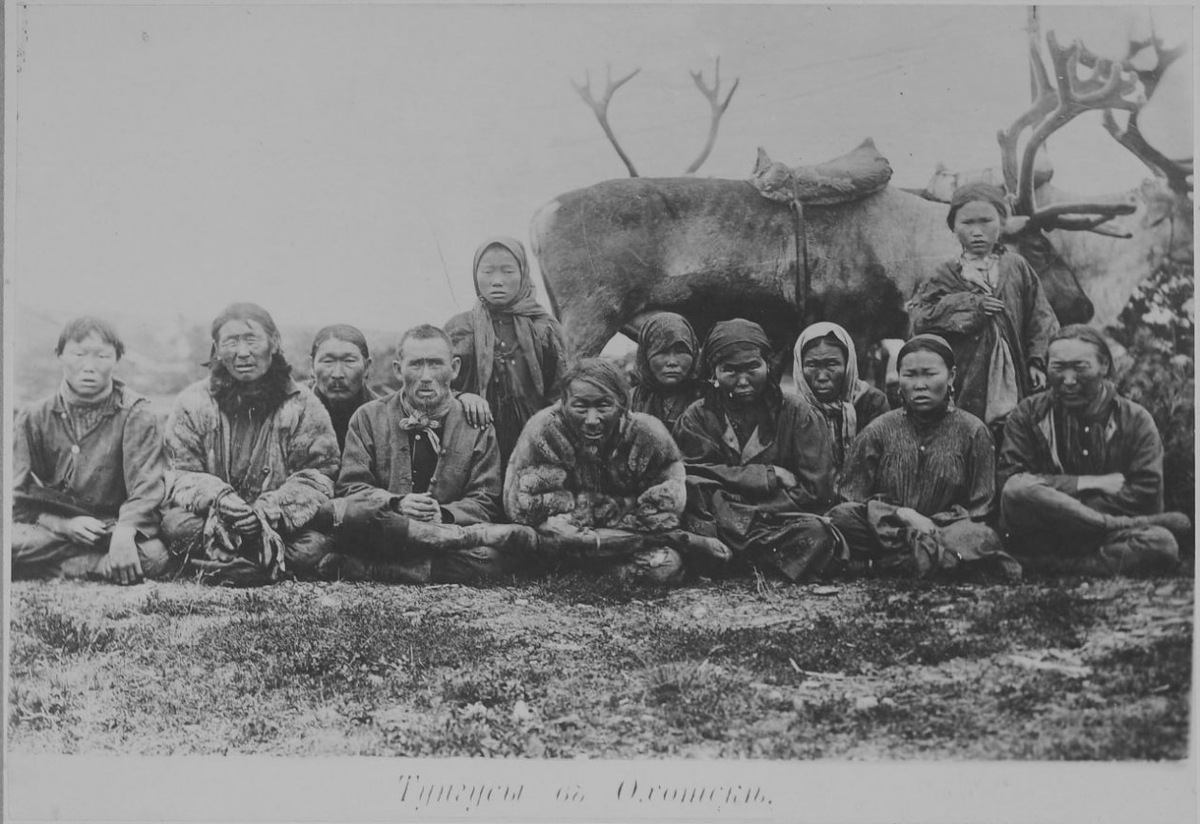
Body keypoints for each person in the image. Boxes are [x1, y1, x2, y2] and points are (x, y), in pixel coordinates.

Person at [316, 325, 538, 583]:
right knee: (343, 518)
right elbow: (351, 487)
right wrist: (397, 503)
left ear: (454, 368)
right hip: (388, 529)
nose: (425, 376)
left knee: (492, 558)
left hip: (445, 532)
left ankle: (380, 569)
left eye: (435, 364)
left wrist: (442, 514)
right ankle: (426, 561)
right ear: (398, 369)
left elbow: (485, 498)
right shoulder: (368, 417)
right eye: (415, 365)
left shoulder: (475, 424)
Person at [505, 358, 730, 585]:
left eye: (604, 405)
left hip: (627, 543)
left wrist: (594, 523)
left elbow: (663, 510)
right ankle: (579, 571)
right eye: (580, 406)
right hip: (562, 543)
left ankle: (579, 574)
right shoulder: (544, 431)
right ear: (564, 403)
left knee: (663, 566)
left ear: (622, 403)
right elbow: (526, 507)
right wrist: (619, 509)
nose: (592, 420)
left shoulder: (647, 434)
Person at [161, 303, 340, 585]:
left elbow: (320, 475)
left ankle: (224, 565)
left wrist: (268, 511)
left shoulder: (303, 404)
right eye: (231, 342)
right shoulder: (192, 402)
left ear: (274, 342)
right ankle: (261, 566)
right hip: (213, 521)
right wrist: (219, 499)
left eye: (251, 339)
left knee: (315, 543)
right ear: (217, 348)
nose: (242, 352)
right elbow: (179, 472)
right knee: (175, 525)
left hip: (276, 525)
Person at [998, 325, 1190, 575]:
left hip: (1102, 538)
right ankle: (1101, 541)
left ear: (1105, 367)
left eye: (1080, 367)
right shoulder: (1028, 414)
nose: (1068, 380)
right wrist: (1085, 483)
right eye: (1058, 367)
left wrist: (1062, 504)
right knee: (1017, 488)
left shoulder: (1136, 420)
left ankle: (1049, 568)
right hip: (1046, 531)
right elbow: (1011, 481)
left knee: (1161, 545)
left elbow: (1147, 495)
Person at [827, 334, 1020, 579]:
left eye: (930, 374)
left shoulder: (973, 431)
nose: (920, 384)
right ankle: (937, 563)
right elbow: (849, 498)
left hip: (945, 530)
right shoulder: (879, 429)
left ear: (951, 376)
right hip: (888, 528)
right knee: (839, 519)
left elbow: (982, 507)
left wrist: (932, 524)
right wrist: (902, 515)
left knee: (980, 537)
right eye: (910, 375)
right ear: (899, 379)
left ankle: (882, 565)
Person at [673, 319, 843, 582]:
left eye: (753, 367)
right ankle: (762, 562)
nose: (743, 381)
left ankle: (731, 561)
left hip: (775, 520)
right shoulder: (698, 416)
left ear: (768, 365)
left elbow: (816, 488)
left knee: (816, 531)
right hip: (720, 519)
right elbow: (691, 472)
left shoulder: (798, 414)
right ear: (713, 373)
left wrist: (753, 510)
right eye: (729, 370)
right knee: (692, 494)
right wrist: (766, 475)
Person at [12, 317, 174, 584]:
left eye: (102, 356)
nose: (89, 367)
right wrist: (61, 524)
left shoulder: (137, 414)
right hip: (51, 527)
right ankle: (93, 565)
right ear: (60, 356)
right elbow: (15, 490)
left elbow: (146, 487)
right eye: (78, 354)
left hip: (108, 526)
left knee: (154, 557)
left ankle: (59, 564)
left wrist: (125, 531)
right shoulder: (33, 416)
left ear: (116, 359)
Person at [907, 182, 1058, 433]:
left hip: (1015, 373)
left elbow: (1041, 318)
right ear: (953, 228)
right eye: (967, 223)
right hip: (965, 376)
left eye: (986, 221)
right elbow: (919, 319)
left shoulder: (1017, 267)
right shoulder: (944, 274)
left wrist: (1036, 362)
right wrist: (971, 306)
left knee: (1014, 433)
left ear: (1001, 223)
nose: (977, 232)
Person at [445, 236, 566, 466]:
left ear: (523, 274)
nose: (497, 281)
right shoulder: (459, 328)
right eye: (488, 272)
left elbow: (561, 392)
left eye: (508, 271)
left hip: (533, 442)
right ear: (475, 274)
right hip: (470, 442)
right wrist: (462, 397)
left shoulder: (544, 328)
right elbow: (439, 385)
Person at [791, 321, 890, 472]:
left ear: (848, 365)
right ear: (800, 366)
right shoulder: (792, 409)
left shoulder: (872, 402)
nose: (822, 376)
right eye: (812, 365)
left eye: (832, 364)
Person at [629, 312, 706, 432]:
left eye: (681, 351)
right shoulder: (630, 401)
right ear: (645, 355)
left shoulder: (709, 399)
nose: (672, 362)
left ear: (694, 352)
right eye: (662, 351)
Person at [309, 324, 379, 451]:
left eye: (349, 361)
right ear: (312, 367)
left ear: (367, 367)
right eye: (327, 361)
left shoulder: (383, 416)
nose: (337, 374)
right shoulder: (291, 412)